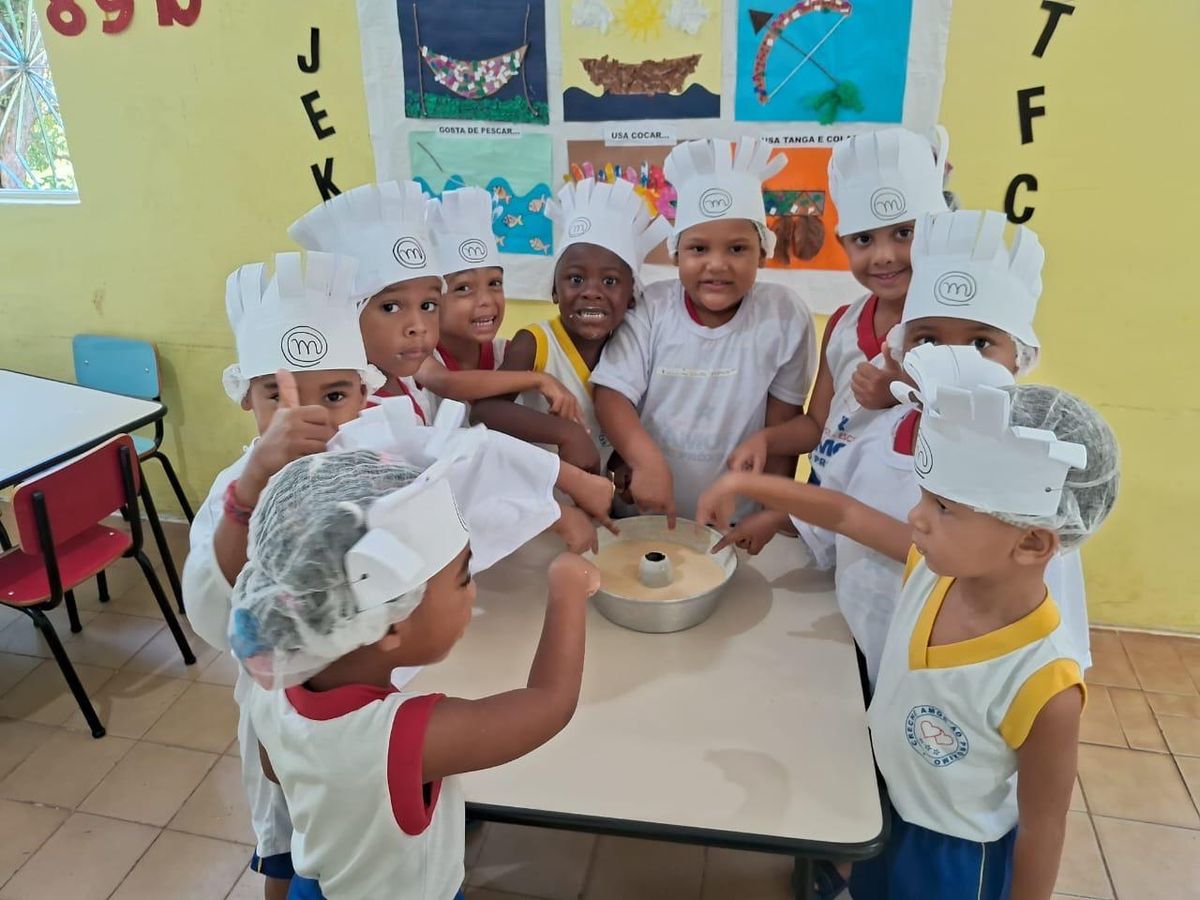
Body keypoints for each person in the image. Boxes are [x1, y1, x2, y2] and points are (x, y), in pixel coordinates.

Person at [183, 251, 615, 900]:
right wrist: (252, 488)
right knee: (286, 839)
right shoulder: (234, 492)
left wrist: (559, 490)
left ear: (364, 389)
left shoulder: (374, 458)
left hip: (319, 711)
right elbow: (217, 616)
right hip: (325, 718)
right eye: (280, 396)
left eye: (333, 395)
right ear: (245, 394)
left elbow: (464, 464)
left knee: (318, 834)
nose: (311, 421)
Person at [699, 211, 1092, 683]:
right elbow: (842, 507)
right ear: (900, 350)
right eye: (928, 339)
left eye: (981, 343)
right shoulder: (880, 432)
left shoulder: (1028, 474)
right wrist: (774, 516)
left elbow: (904, 542)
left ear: (1021, 357)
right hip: (866, 647)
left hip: (965, 686)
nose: (950, 359)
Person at [231, 448, 602, 900]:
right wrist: (567, 589)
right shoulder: (398, 735)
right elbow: (549, 704)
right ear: (391, 621)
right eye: (464, 577)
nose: (473, 591)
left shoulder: (271, 685)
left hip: (317, 885)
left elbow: (276, 770)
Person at [590, 137, 818, 539]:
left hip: (733, 520)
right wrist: (645, 462)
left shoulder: (784, 316)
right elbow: (611, 395)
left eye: (737, 248)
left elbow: (783, 426)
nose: (717, 264)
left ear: (762, 253)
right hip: (643, 513)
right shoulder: (652, 307)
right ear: (677, 254)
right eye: (698, 248)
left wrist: (769, 511)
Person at [725, 126, 950, 485]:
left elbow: (965, 428)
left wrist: (899, 392)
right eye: (864, 239)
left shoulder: (954, 327)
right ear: (843, 243)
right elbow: (818, 425)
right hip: (827, 498)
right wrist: (765, 441)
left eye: (904, 233)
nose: (884, 256)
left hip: (898, 519)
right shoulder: (844, 322)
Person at [289, 181, 583, 427]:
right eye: (391, 307)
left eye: (427, 305)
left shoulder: (403, 379)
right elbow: (447, 384)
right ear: (347, 312)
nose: (417, 326)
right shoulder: (359, 406)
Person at [471, 177, 671, 474]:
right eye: (576, 279)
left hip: (596, 503)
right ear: (554, 290)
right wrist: (565, 433)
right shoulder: (536, 342)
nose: (591, 291)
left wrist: (621, 463)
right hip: (538, 503)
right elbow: (485, 411)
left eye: (610, 281)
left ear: (632, 296)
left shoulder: (633, 349)